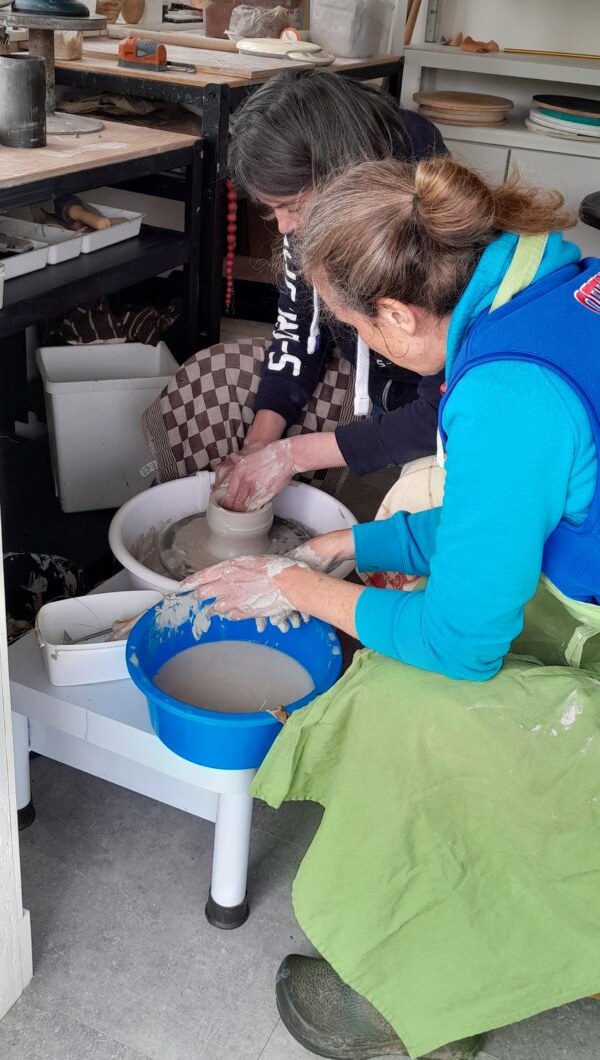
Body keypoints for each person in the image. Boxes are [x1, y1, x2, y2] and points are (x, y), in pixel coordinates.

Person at [189, 157, 600, 1059]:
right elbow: (510, 507)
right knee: (404, 599)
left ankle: (418, 986)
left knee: (402, 705)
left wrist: (296, 585)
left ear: (400, 315)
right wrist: (353, 547)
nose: (360, 344)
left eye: (353, 328)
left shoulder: (508, 388)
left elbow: (459, 645)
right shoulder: (555, 282)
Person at [144, 69, 446, 500]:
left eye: (293, 206)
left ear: (340, 175)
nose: (284, 227)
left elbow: (443, 411)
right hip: (368, 371)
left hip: (435, 403)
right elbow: (297, 328)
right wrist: (260, 446)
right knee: (210, 374)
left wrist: (293, 455)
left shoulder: (418, 208)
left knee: (422, 502)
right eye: (273, 211)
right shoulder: (318, 204)